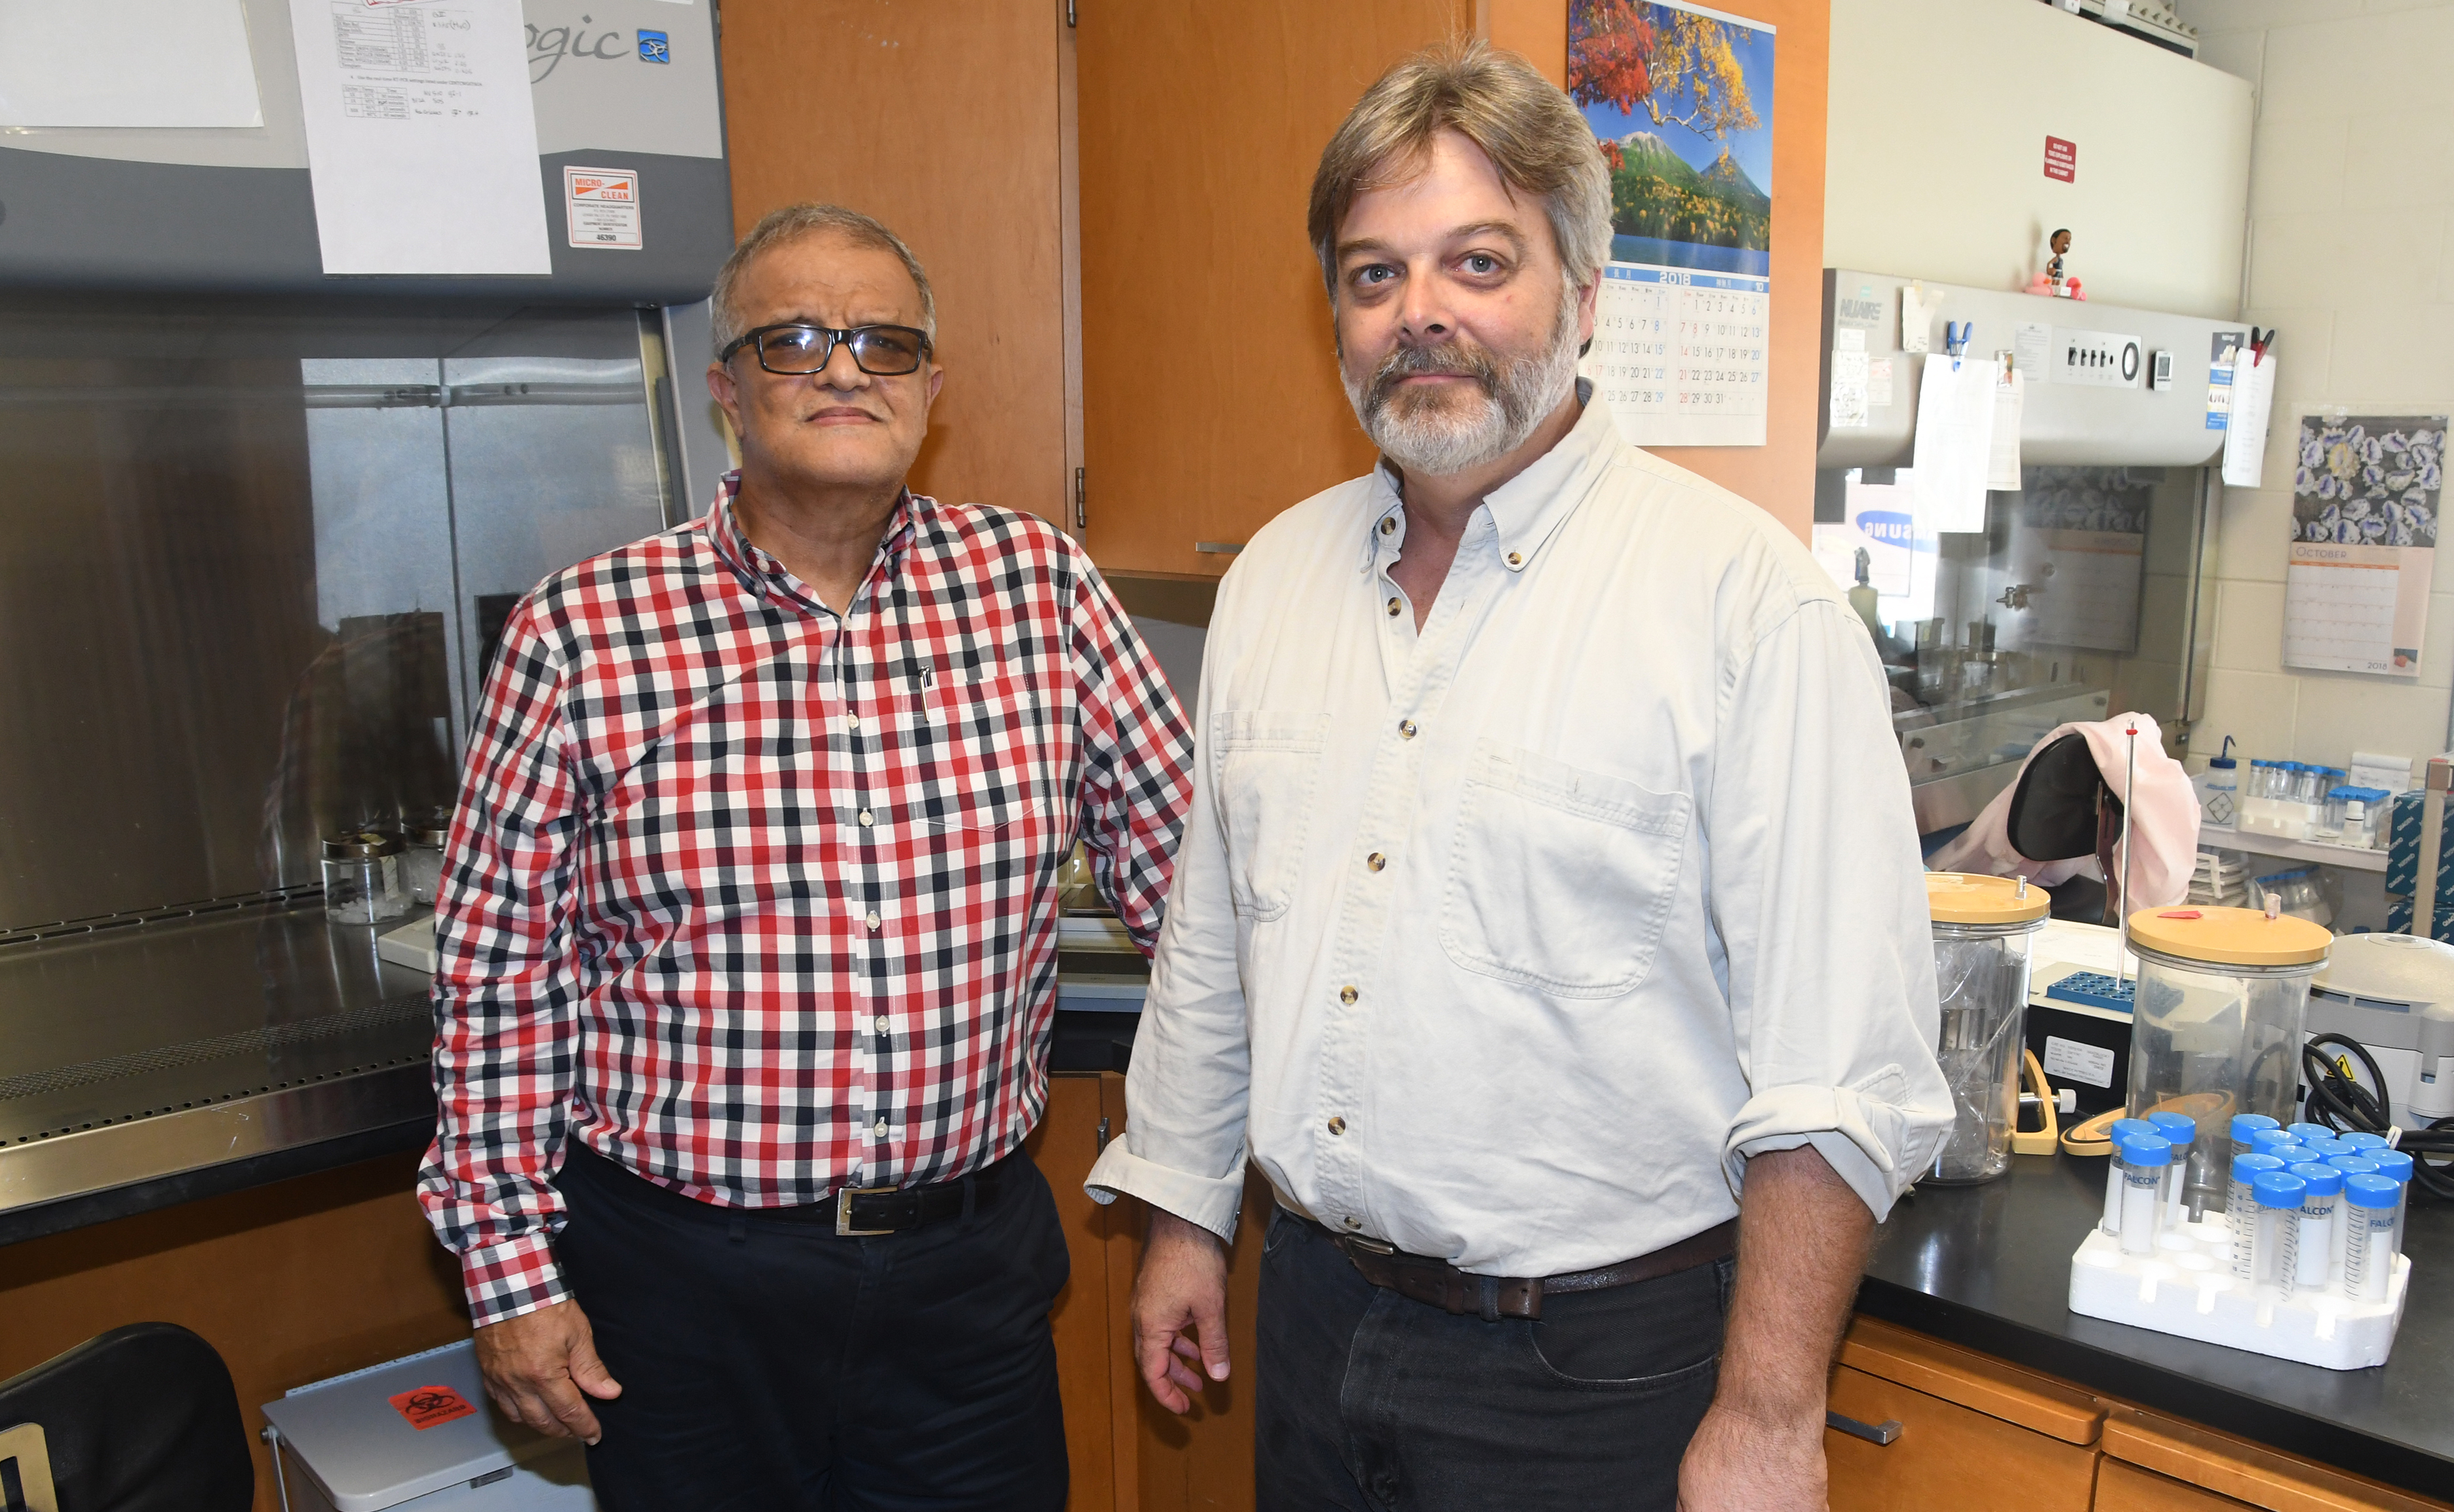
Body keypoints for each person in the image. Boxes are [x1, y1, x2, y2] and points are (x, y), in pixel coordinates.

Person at [1086, 42, 1953, 1512]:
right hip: (1314, 1316)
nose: (1420, 312)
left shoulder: (1749, 608)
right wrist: (1185, 1216)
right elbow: (1220, 941)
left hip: (1592, 1369)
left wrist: (1765, 1417)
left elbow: (1839, 1066)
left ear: (1585, 295)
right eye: (1373, 275)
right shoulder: (1277, 580)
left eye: (1477, 262)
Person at [418, 202, 1194, 1511]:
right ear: (727, 391)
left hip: (966, 1278)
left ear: (930, 392)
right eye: (793, 341)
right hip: (684, 1285)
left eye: (884, 343)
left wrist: (1213, 1177)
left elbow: (1196, 896)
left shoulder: (1041, 588)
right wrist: (509, 1273)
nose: (844, 368)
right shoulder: (587, 631)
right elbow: (498, 974)